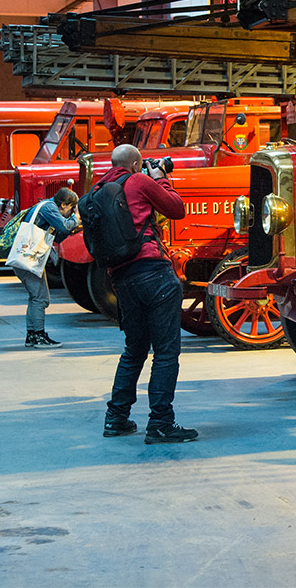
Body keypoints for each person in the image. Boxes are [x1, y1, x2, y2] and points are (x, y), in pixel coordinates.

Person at [97, 144, 194, 444]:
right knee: (166, 351)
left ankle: (116, 418)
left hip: (121, 278)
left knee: (135, 349)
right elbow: (176, 209)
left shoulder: (99, 189)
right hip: (153, 272)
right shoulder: (138, 181)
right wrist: (161, 177)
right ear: (137, 164)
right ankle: (161, 423)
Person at [12, 188, 79, 349]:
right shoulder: (49, 208)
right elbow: (64, 227)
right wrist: (76, 218)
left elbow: (59, 235)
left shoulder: (46, 206)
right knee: (40, 298)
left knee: (36, 297)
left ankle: (32, 335)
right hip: (28, 259)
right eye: (70, 209)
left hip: (27, 258)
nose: (69, 213)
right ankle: (38, 336)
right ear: (63, 204)